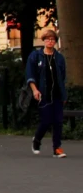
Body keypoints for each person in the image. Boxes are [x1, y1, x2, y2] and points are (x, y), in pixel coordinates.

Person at [27, 28, 68, 158]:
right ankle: (37, 140)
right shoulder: (35, 56)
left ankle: (57, 148)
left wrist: (63, 94)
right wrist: (35, 90)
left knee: (58, 121)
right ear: (44, 40)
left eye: (53, 39)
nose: (50, 41)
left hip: (57, 94)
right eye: (48, 39)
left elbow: (63, 76)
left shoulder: (59, 58)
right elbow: (30, 74)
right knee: (46, 121)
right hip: (43, 94)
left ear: (55, 42)